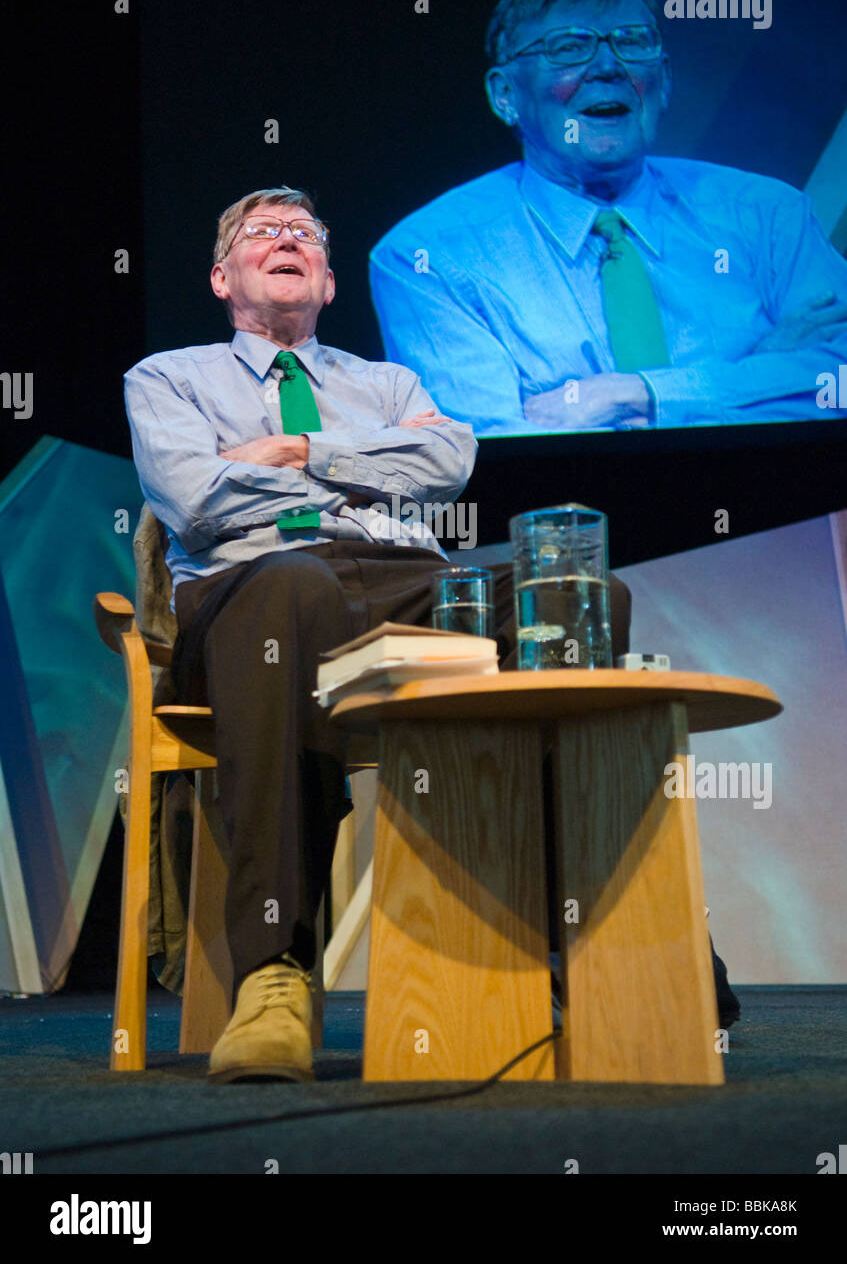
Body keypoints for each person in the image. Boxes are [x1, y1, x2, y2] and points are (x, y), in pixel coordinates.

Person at [123, 185, 636, 1082]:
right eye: (261, 233)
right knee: (294, 585)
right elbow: (196, 497)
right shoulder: (167, 377)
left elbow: (448, 463)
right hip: (254, 589)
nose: (286, 241)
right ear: (221, 277)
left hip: (402, 579)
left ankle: (583, 944)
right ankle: (275, 978)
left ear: (325, 282)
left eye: (306, 236)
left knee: (572, 593)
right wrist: (368, 467)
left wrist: (295, 451)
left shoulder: (386, 381)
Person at [369, 0, 847, 435]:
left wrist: (636, 394)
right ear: (506, 94)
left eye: (632, 41)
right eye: (569, 47)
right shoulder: (426, 256)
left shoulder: (768, 214)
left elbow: (839, 384)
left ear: (665, 81)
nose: (607, 67)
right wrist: (761, 371)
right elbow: (488, 449)